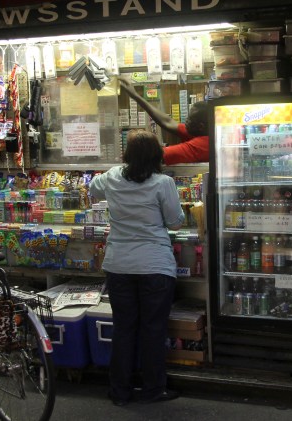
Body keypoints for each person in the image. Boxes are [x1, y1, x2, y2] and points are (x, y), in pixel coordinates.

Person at [89, 129, 186, 406]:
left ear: (127, 155)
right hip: (155, 265)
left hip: (119, 265)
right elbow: (175, 222)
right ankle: (154, 389)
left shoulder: (112, 176)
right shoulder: (163, 183)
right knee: (153, 330)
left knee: (123, 328)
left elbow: (93, 189)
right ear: (158, 156)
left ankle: (120, 391)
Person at [118, 77, 209, 164]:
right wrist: (135, 96)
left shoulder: (202, 145)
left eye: (189, 120)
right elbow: (167, 122)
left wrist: (130, 153)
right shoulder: (201, 131)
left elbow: (154, 155)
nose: (185, 122)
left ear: (200, 126)